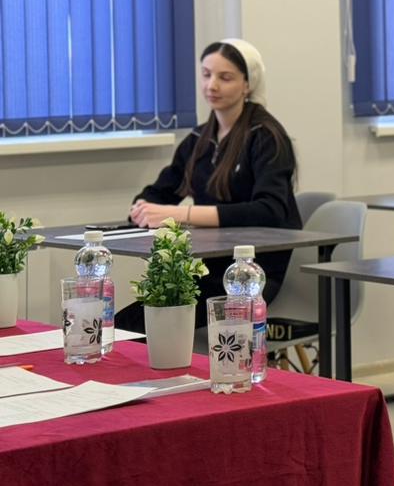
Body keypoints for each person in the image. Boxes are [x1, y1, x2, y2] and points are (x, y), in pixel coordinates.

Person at [116, 40, 301, 331]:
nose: (211, 85)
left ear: (247, 84)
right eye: (206, 74)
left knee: (141, 327)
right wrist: (142, 209)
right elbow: (159, 192)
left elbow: (270, 210)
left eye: (225, 78)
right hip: (209, 268)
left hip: (252, 274)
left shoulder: (266, 136)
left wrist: (180, 214)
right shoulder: (199, 138)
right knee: (126, 324)